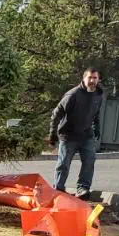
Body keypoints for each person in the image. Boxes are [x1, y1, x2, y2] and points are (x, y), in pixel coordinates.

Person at [49, 68, 104, 198]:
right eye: (90, 77)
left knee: (89, 162)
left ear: (98, 79)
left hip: (86, 135)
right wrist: (52, 133)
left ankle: (82, 189)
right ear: (84, 78)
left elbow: (96, 113)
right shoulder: (73, 95)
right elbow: (56, 114)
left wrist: (97, 126)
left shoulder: (98, 94)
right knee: (63, 164)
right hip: (69, 135)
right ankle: (58, 190)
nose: (92, 80)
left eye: (95, 78)